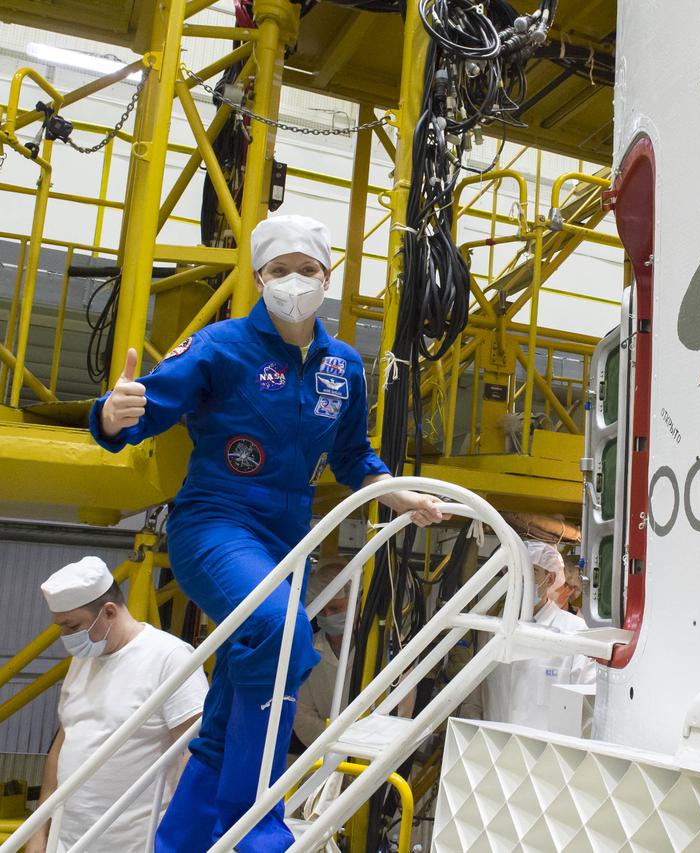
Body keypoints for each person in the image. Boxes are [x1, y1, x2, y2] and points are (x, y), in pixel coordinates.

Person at [89, 214, 445, 852]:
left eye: (306, 270)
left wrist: (393, 493)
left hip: (290, 544)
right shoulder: (221, 346)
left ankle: (183, 840)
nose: (294, 283)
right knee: (279, 634)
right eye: (279, 271)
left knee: (238, 691)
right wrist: (112, 416)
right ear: (259, 278)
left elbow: (352, 457)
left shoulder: (342, 367)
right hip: (214, 525)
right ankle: (254, 823)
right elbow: (145, 407)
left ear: (327, 276)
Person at [25, 557, 208, 853]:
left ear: (108, 611)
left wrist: (181, 841)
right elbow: (62, 746)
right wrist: (38, 834)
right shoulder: (84, 659)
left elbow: (194, 753)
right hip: (67, 841)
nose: (66, 637)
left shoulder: (169, 657)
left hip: (134, 845)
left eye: (72, 626)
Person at [480, 541, 596, 729]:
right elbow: (476, 699)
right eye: (513, 570)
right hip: (494, 748)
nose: (519, 578)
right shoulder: (493, 628)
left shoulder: (574, 631)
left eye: (531, 572)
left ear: (550, 579)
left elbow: (589, 705)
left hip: (547, 753)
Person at [293, 558, 354, 748]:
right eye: (322, 609)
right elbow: (301, 716)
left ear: (356, 601)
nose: (328, 616)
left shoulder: (381, 648)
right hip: (320, 753)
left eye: (335, 608)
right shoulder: (307, 649)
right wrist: (338, 748)